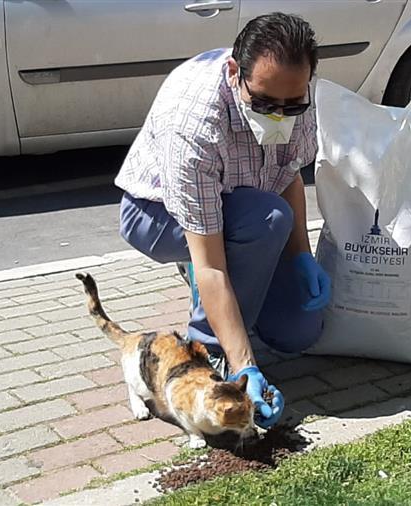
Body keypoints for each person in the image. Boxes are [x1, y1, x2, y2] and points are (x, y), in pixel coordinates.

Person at [114, 13, 331, 430]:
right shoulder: (194, 124)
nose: (281, 116)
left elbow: (288, 175)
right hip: (157, 215)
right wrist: (243, 365)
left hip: (244, 209)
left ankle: (239, 304)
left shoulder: (294, 91)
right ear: (235, 73)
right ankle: (208, 353)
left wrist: (302, 255)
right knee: (266, 221)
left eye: (293, 105)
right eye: (266, 104)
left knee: (299, 330)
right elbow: (211, 266)